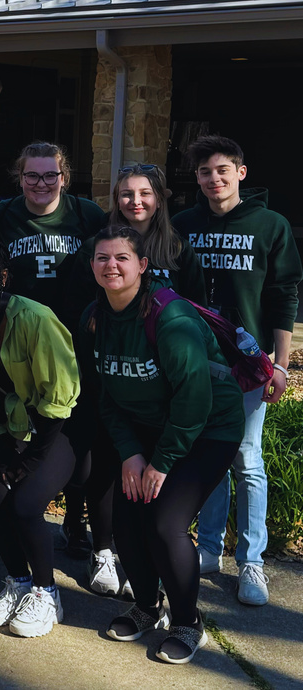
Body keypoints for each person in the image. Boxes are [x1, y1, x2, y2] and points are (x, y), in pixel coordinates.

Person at [82, 225, 244, 664]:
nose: (110, 265)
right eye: (102, 258)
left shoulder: (170, 318)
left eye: (121, 258)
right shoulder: (94, 316)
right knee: (127, 516)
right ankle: (147, 607)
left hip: (209, 428)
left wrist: (162, 462)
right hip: (148, 427)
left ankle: (189, 623)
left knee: (165, 523)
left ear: (142, 266)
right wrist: (132, 454)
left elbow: (195, 399)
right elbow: (106, 397)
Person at [173, 135, 302, 606]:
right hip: (195, 358)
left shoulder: (270, 225)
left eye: (222, 170)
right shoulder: (184, 224)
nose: (213, 179)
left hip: (249, 363)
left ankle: (252, 560)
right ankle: (209, 550)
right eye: (205, 172)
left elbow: (284, 296)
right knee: (209, 455)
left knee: (246, 458)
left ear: (241, 173)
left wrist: (281, 364)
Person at [65, 163, 205, 596]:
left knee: (155, 473)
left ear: (159, 198)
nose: (135, 201)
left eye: (144, 193)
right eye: (126, 193)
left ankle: (150, 557)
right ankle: (102, 549)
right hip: (111, 369)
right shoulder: (97, 245)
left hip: (165, 380)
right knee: (107, 458)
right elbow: (78, 304)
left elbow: (198, 310)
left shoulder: (178, 248)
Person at [0, 238, 80, 638]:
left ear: (2, 276)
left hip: (61, 429)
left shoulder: (34, 318)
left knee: (25, 504)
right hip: (15, 430)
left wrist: (29, 461)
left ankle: (46, 592)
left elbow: (60, 399)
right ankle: (18, 582)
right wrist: (6, 451)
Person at [0, 141, 105, 559]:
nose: (40, 183)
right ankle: (25, 502)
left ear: (64, 178)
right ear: (20, 178)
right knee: (30, 420)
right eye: (31, 175)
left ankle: (75, 521)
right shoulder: (3, 215)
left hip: (76, 338)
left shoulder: (86, 214)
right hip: (23, 341)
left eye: (49, 175)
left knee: (78, 435)